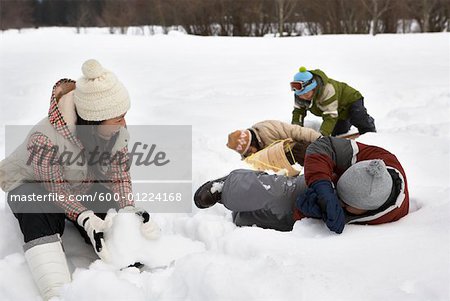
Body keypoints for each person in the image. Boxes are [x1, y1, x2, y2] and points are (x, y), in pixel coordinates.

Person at [0, 59, 160, 300]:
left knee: (110, 208)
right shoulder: (44, 138)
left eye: (124, 116)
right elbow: (55, 190)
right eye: (118, 119)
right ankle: (56, 290)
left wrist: (128, 211)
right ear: (95, 120)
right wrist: (84, 216)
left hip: (78, 184)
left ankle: (126, 261)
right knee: (37, 206)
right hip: (33, 184)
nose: (124, 123)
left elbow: (120, 177)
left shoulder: (115, 133)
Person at [194, 137, 409, 234]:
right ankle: (226, 188)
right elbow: (323, 145)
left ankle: (240, 219)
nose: (341, 202)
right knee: (283, 191)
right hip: (324, 179)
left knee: (287, 222)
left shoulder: (388, 216)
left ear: (366, 208)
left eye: (347, 203)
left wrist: (315, 211)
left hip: (322, 205)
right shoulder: (377, 158)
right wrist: (324, 186)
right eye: (341, 198)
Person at [290, 67, 376, 137]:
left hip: (351, 100)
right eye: (300, 94)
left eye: (306, 94)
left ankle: (369, 129)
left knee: (358, 118)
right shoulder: (300, 96)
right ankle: (348, 121)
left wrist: (321, 135)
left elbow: (330, 116)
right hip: (336, 109)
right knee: (338, 132)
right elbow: (298, 113)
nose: (303, 97)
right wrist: (296, 131)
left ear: (313, 88)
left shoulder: (327, 90)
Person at [226, 120, 321, 166]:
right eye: (247, 153)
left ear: (253, 141)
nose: (252, 153)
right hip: (280, 165)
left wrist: (319, 139)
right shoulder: (249, 155)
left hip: (294, 149)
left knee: (310, 155)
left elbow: (296, 131)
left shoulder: (267, 129)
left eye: (250, 150)